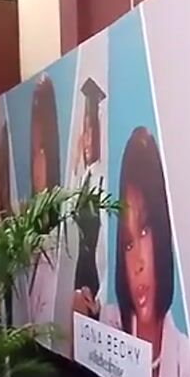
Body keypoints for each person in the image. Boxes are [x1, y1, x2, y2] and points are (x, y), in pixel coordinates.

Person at [94, 127, 190, 377]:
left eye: (144, 232)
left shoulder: (188, 365)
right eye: (128, 244)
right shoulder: (107, 328)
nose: (137, 263)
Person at [71, 77, 108, 322]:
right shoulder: (81, 180)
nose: (87, 141)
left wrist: (100, 296)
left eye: (91, 131)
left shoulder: (103, 181)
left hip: (95, 285)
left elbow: (107, 249)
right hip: (78, 278)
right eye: (85, 132)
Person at [26, 73, 61, 330]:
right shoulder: (27, 237)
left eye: (40, 151)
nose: (34, 165)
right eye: (33, 152)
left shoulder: (63, 239)